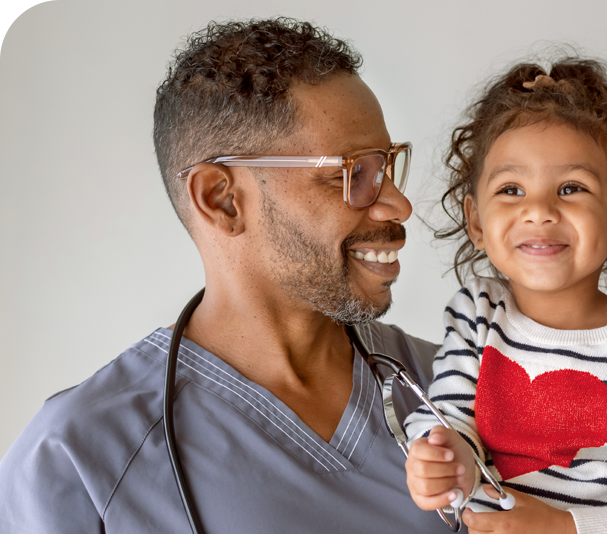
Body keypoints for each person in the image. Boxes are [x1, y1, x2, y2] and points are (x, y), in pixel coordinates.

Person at [0, 18, 453, 533]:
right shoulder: (79, 459)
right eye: (353, 175)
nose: (399, 205)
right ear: (222, 199)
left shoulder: (461, 386)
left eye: (388, 168)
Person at [403, 59, 607, 533]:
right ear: (477, 221)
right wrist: (443, 453)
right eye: (511, 188)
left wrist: (566, 525)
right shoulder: (477, 316)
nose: (539, 211)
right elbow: (449, 415)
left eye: (571, 188)